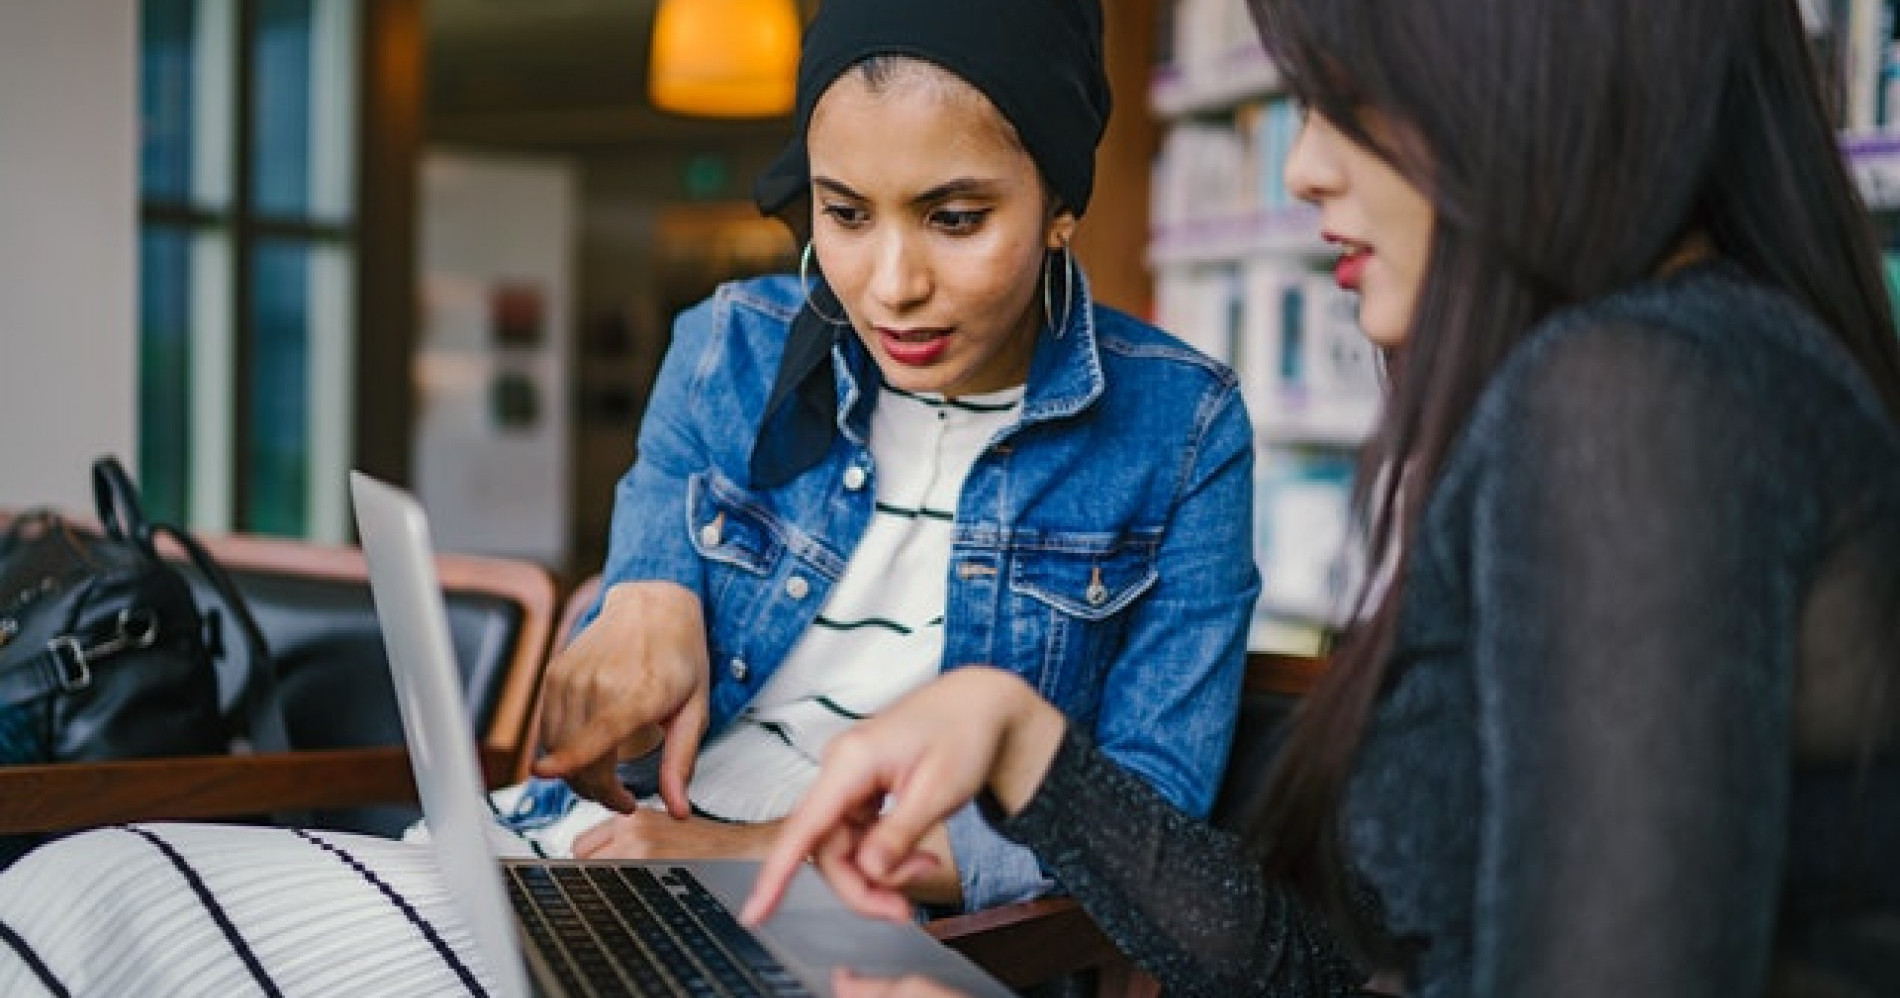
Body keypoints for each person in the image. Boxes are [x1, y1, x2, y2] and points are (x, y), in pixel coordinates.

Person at [0, 0, 1262, 992]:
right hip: (584, 852)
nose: (888, 283)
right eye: (841, 212)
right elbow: (642, 596)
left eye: (953, 216)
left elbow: (1137, 834)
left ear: (1060, 205)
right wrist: (638, 590)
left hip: (847, 930)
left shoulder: (1180, 427)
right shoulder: (732, 339)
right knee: (77, 891)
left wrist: (763, 855)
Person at [745, 0, 1900, 995]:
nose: (1302, 167)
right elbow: (1327, 971)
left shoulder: (1636, 400)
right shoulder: (1684, 370)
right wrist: (1023, 742)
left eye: (1348, 95)